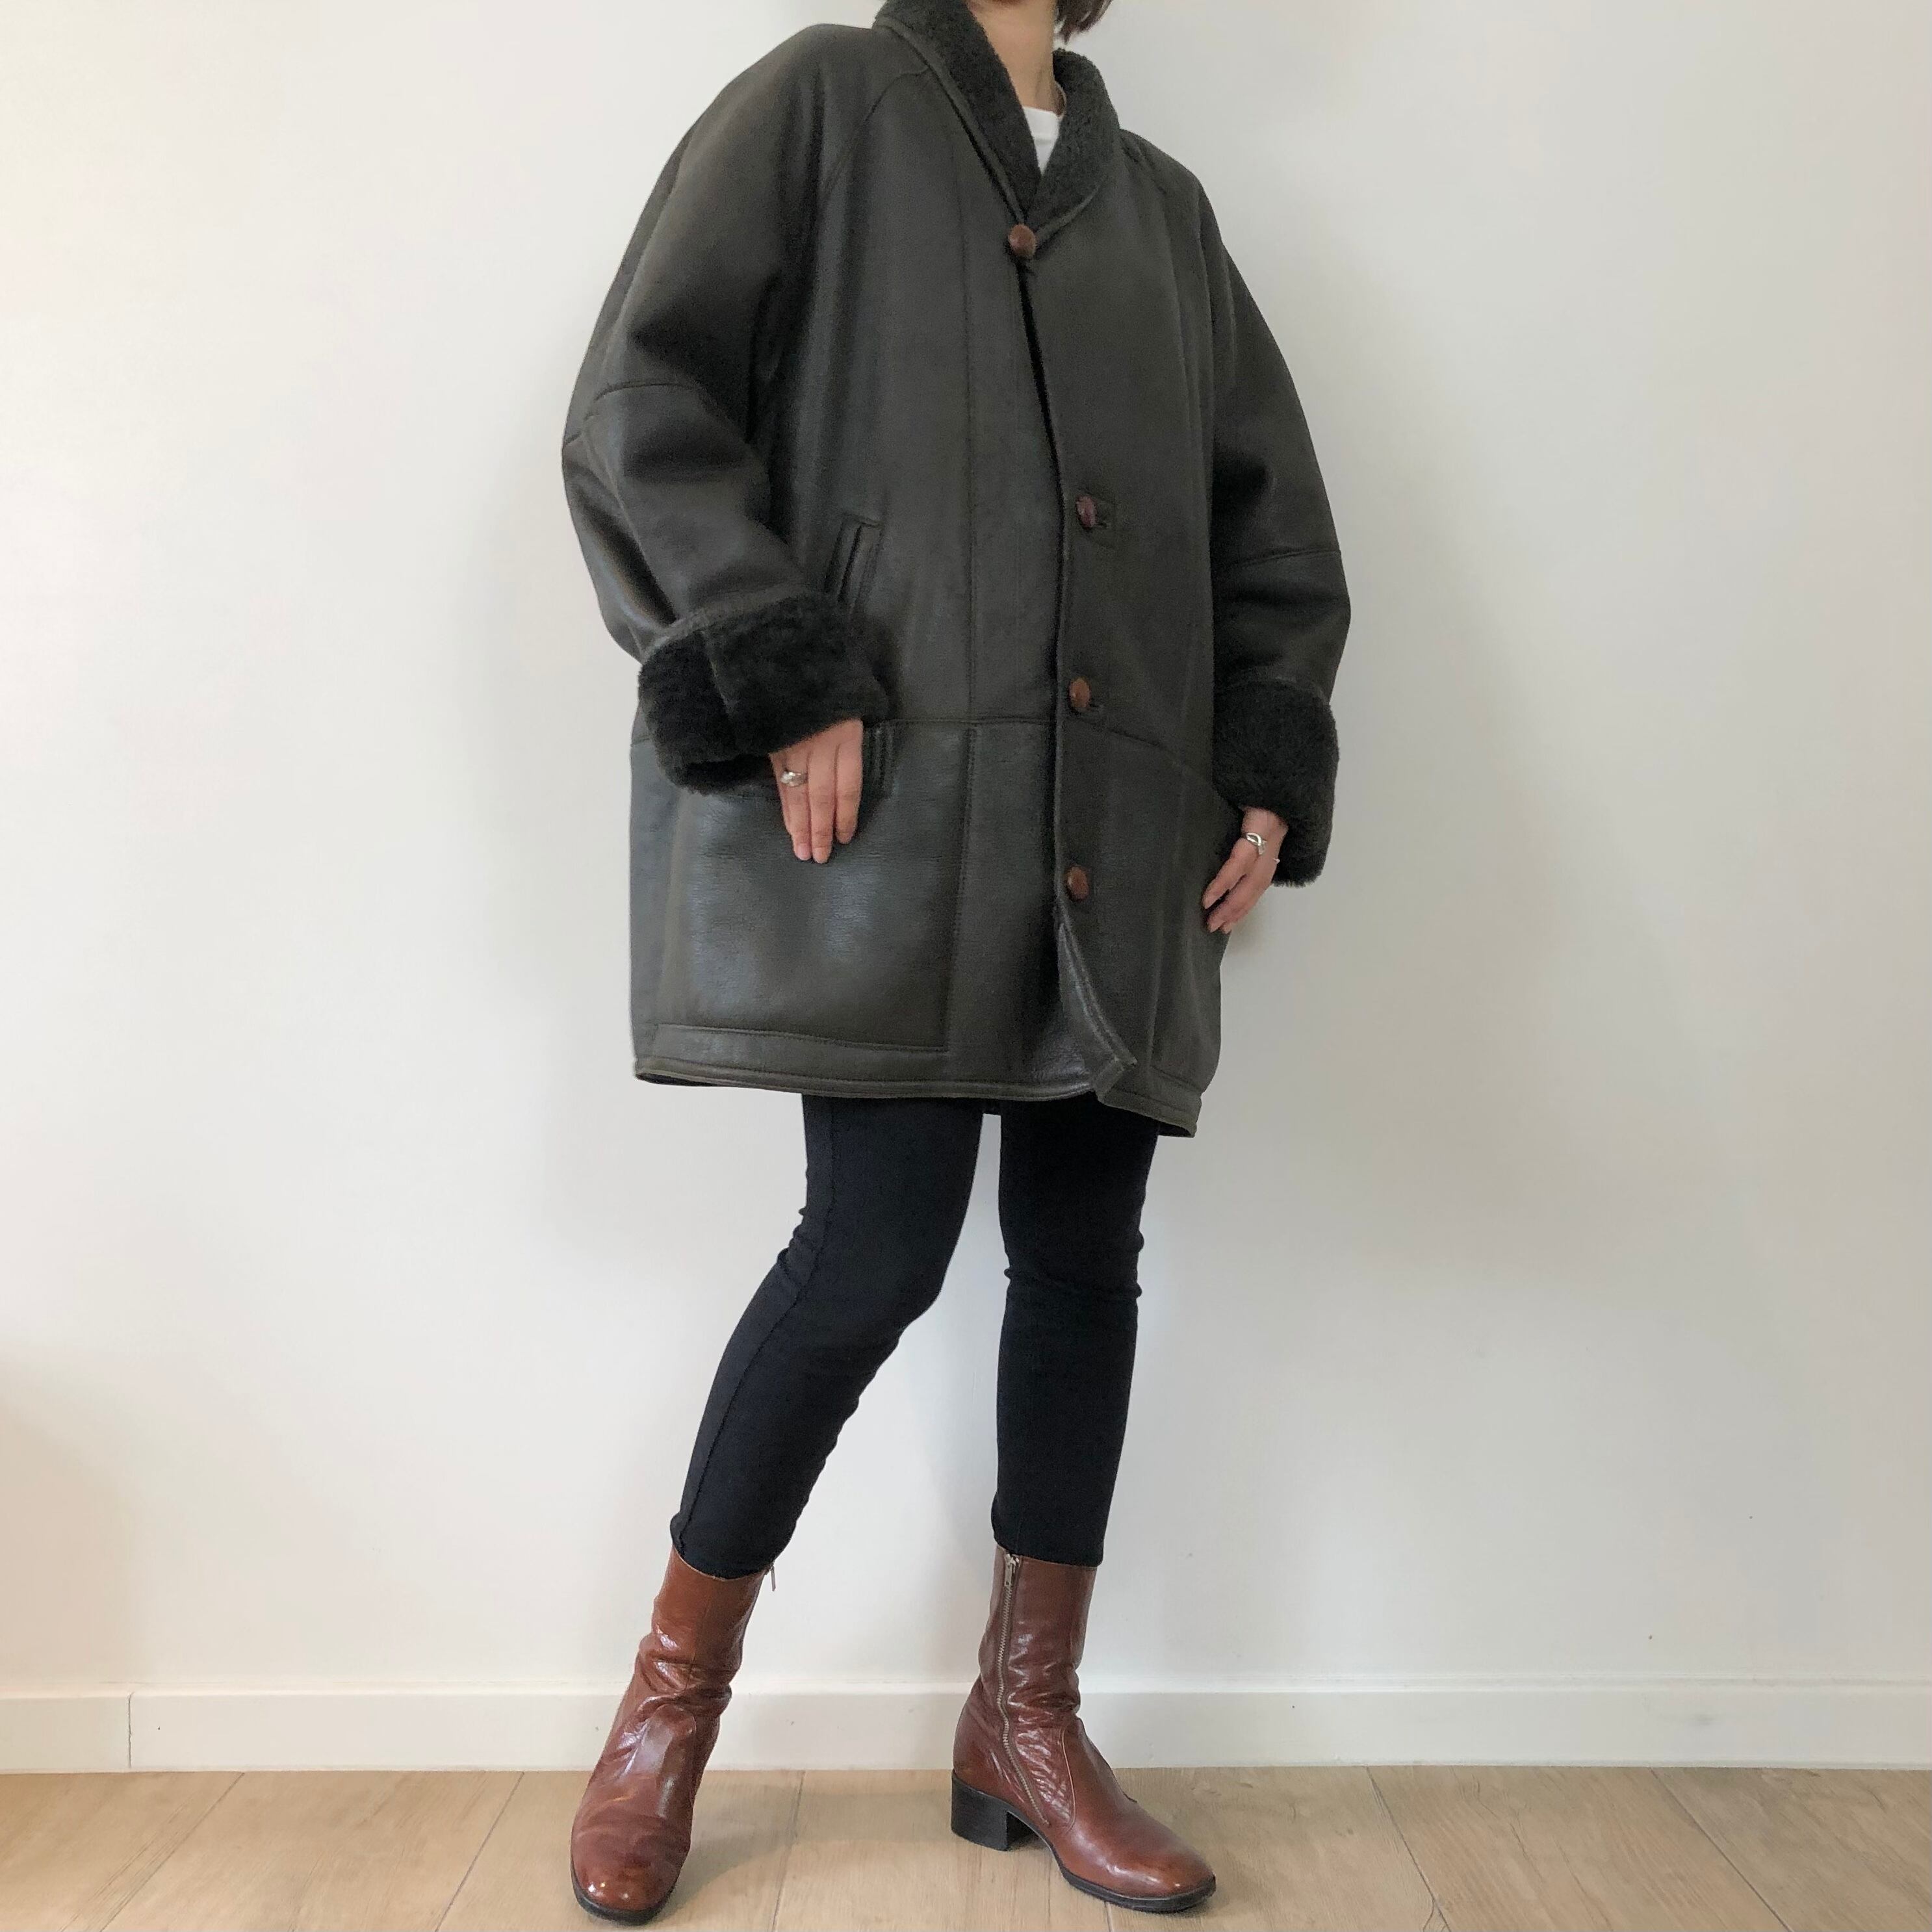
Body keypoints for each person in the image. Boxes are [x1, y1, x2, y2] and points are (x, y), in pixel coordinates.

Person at [557, 0, 1351, 1918]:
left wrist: (1263, 762)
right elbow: (643, 405)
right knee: (871, 1256)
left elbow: (1270, 526)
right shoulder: (824, 101)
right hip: (895, 821)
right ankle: (666, 1709)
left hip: (1127, 821)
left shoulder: (1163, 214)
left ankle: (1028, 1721)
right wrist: (777, 656)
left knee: (1084, 1265)